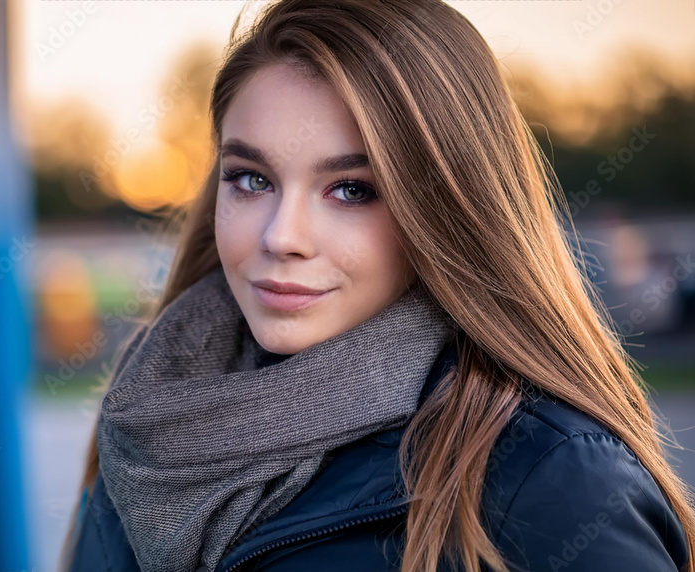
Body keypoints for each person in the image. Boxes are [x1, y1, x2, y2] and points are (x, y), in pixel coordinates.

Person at [59, 0, 695, 570]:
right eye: (252, 179)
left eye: (352, 190)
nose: (282, 237)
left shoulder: (552, 478)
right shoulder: (151, 405)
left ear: (449, 208)